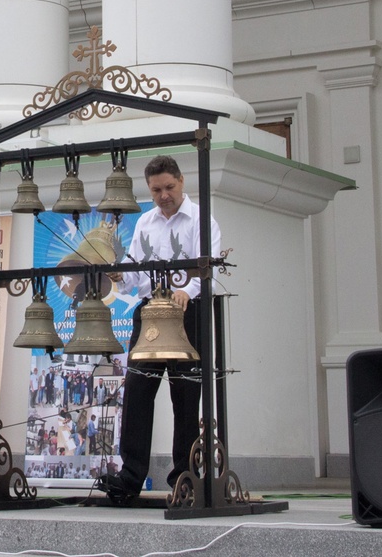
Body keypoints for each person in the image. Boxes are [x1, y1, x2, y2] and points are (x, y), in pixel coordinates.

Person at [98, 155, 221, 505]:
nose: (163, 195)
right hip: (151, 313)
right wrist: (123, 275)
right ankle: (130, 475)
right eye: (156, 190)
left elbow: (206, 265)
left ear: (181, 181)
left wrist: (188, 290)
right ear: (149, 190)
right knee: (137, 391)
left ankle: (185, 475)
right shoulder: (145, 223)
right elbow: (138, 275)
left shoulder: (201, 219)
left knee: (185, 396)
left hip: (188, 312)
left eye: (169, 187)